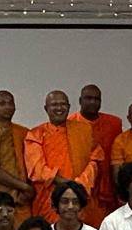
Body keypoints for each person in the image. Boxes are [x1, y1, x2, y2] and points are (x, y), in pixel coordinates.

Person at [25, 90, 104, 223]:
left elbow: (96, 157)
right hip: (49, 197)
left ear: (69, 107)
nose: (59, 108)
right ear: (46, 108)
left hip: (81, 192)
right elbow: (36, 168)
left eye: (63, 104)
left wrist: (81, 182)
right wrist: (65, 183)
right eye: (54, 105)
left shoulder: (84, 130)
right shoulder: (35, 134)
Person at [0, 89, 34, 224]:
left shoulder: (23, 132)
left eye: (10, 103)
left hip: (22, 197)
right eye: (2, 103)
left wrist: (26, 190)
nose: (7, 107)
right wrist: (24, 187)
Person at [76, 84, 124, 222]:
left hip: (109, 188)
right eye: (88, 98)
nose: (92, 102)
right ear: (80, 101)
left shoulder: (114, 123)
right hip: (83, 186)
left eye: (96, 99)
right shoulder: (71, 123)